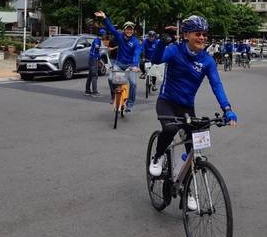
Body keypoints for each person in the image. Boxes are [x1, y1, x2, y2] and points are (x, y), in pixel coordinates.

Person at [148, 15, 238, 184]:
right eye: (197, 33)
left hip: (187, 107)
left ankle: (188, 189)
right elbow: (155, 59)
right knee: (170, 129)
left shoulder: (207, 61)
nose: (202, 37)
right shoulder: (175, 50)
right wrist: (162, 42)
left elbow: (216, 85)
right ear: (186, 35)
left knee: (195, 149)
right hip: (167, 102)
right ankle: (158, 156)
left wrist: (227, 109)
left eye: (204, 34)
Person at [94, 11, 141, 111]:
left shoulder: (135, 42)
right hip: (118, 64)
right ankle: (113, 96)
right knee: (110, 79)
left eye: (131, 29)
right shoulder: (120, 36)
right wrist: (105, 17)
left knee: (133, 83)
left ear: (133, 31)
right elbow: (111, 28)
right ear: (124, 30)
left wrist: (135, 65)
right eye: (127, 29)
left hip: (130, 66)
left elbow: (136, 54)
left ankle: (130, 104)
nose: (129, 31)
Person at [85, 28, 106, 97]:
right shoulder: (98, 41)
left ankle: (87, 91)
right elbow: (96, 51)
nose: (105, 36)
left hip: (91, 58)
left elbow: (96, 51)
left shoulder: (97, 39)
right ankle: (95, 92)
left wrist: (100, 60)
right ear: (102, 34)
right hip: (93, 59)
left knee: (90, 75)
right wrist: (99, 59)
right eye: (104, 34)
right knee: (94, 75)